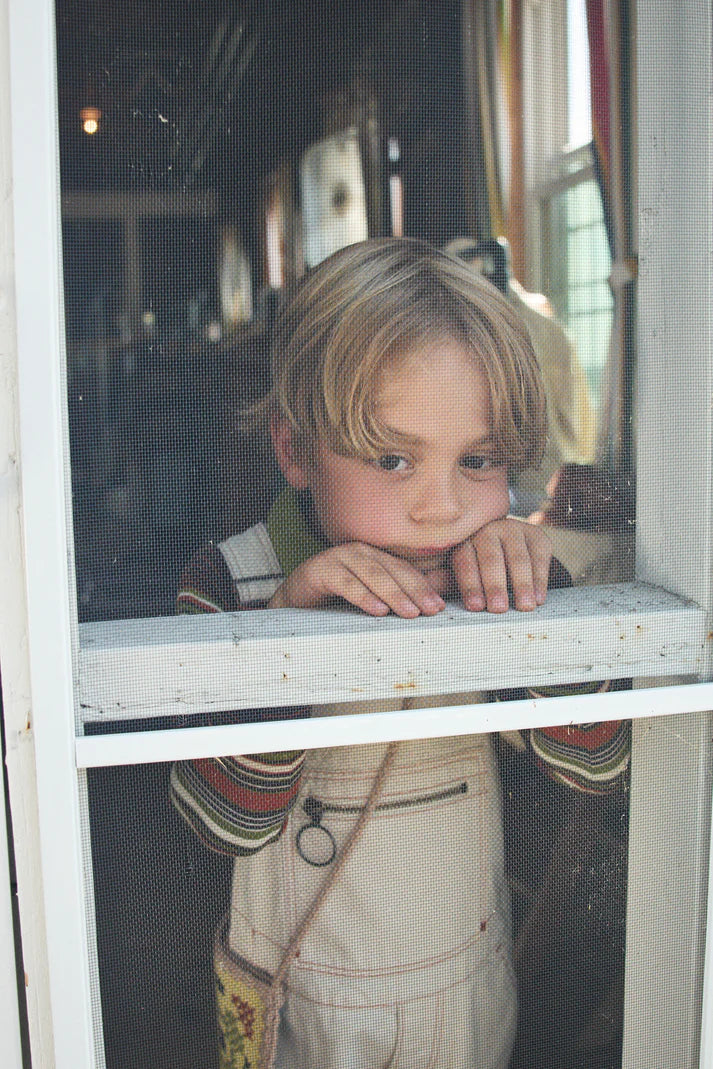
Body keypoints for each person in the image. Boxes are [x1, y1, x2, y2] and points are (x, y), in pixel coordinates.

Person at [171, 238, 629, 1069]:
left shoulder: (494, 576)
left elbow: (595, 768)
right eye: (391, 459)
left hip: (464, 987)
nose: (440, 508)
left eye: (478, 460)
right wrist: (287, 628)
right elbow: (222, 820)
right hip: (294, 998)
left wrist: (542, 606)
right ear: (297, 450)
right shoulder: (230, 584)